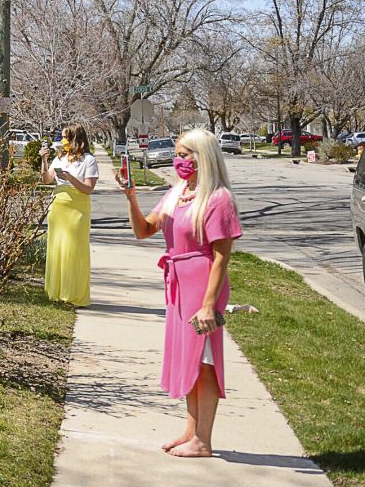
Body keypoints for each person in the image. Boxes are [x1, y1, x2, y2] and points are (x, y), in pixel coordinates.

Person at [116, 128, 241, 458]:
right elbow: (144, 230)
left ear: (203, 157)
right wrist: (131, 196)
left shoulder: (218, 199)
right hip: (178, 286)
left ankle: (204, 441)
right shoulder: (177, 193)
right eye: (178, 154)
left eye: (185, 154)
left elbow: (221, 256)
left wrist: (209, 305)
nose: (179, 160)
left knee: (206, 360)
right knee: (190, 360)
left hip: (203, 288)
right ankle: (190, 431)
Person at [40, 124, 99, 307]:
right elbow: (47, 179)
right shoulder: (60, 158)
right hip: (57, 208)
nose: (62, 140)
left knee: (74, 250)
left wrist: (70, 178)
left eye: (65, 137)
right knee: (57, 248)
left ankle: (73, 294)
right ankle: (56, 292)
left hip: (77, 210)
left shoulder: (89, 160)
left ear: (75, 139)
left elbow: (88, 188)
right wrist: (44, 160)